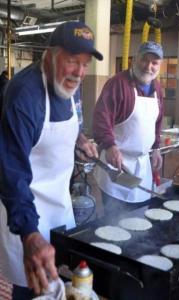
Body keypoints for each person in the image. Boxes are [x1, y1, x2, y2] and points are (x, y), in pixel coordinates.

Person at [0, 21, 102, 299]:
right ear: (49, 55)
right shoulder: (24, 95)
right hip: (24, 218)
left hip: (60, 208)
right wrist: (30, 234)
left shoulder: (71, 83)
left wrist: (78, 141)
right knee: (30, 290)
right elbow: (11, 173)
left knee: (62, 288)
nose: (79, 72)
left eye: (85, 64)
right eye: (72, 61)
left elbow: (68, 124)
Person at [93, 41, 164, 214]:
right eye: (144, 60)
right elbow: (101, 119)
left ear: (159, 65)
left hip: (142, 166)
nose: (148, 67)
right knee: (114, 220)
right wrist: (109, 145)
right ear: (134, 59)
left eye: (154, 63)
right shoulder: (117, 84)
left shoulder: (157, 89)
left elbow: (158, 121)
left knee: (139, 217)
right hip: (116, 166)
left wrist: (156, 148)